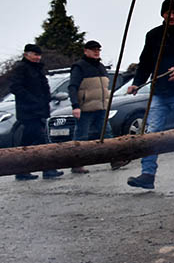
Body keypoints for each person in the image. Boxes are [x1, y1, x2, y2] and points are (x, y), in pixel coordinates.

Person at [126, 0, 174, 190]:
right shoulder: (153, 36)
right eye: (168, 12)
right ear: (162, 14)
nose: (172, 15)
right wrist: (137, 83)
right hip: (159, 92)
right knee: (152, 133)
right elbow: (145, 63)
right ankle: (147, 174)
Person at [10, 43, 62, 180]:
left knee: (27, 142)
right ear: (26, 54)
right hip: (29, 111)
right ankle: (47, 169)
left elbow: (43, 87)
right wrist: (32, 100)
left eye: (39, 55)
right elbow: (15, 87)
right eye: (35, 55)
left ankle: (22, 171)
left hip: (40, 111)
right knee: (41, 140)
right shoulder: (21, 68)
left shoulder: (38, 69)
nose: (38, 57)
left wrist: (46, 100)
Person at [67, 40, 113, 173]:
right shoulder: (79, 67)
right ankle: (76, 164)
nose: (96, 52)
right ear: (85, 51)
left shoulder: (101, 66)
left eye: (98, 49)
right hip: (85, 108)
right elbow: (72, 87)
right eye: (93, 49)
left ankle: (114, 159)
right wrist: (75, 105)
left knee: (107, 134)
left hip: (101, 107)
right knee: (81, 136)